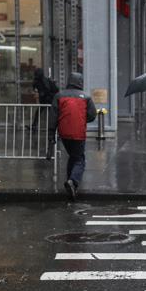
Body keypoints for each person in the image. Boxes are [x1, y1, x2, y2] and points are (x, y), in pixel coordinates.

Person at [51, 72, 96, 201]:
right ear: (80, 82)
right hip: (78, 132)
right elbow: (92, 115)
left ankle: (70, 184)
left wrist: (51, 134)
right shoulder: (86, 97)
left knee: (73, 156)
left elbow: (53, 117)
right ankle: (73, 181)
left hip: (64, 133)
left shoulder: (59, 96)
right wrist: (82, 119)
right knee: (80, 159)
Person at [31, 68, 59, 159]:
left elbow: (46, 90)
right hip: (48, 100)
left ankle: (35, 126)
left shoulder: (41, 81)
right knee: (48, 115)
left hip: (47, 100)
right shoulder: (44, 81)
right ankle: (35, 126)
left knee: (46, 114)